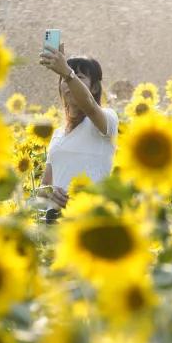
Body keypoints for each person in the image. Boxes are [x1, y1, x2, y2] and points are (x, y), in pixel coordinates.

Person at [37, 44, 118, 215]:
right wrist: (50, 192)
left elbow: (89, 105)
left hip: (92, 219)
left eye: (79, 77)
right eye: (63, 80)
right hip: (56, 222)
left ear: (94, 88)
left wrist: (67, 73)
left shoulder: (106, 119)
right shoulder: (58, 134)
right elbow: (43, 189)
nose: (68, 83)